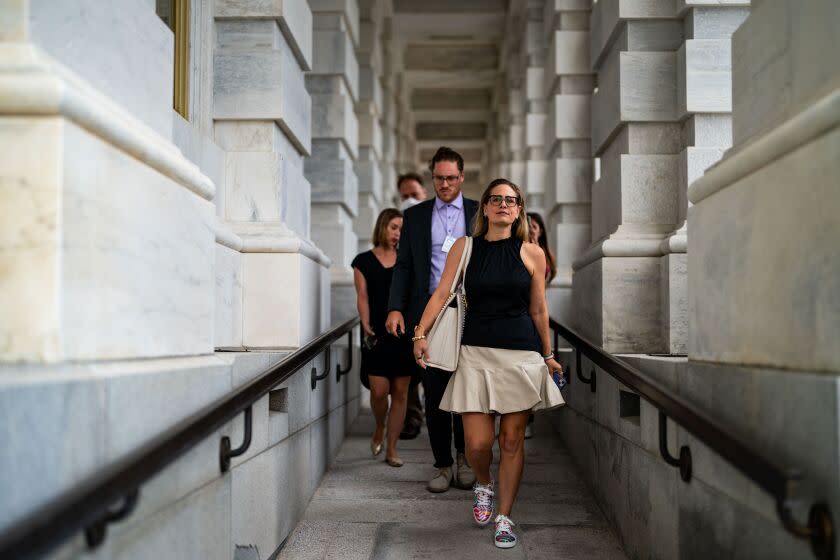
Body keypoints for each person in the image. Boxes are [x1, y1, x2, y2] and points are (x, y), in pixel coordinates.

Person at [412, 178, 565, 549]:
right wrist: (420, 333)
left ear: (519, 209)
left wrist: (547, 355)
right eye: (495, 199)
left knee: (511, 440)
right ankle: (483, 482)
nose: (502, 205)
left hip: (521, 354)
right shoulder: (464, 248)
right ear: (484, 208)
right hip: (474, 353)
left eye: (510, 200)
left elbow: (539, 308)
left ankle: (505, 517)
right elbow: (441, 293)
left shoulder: (532, 253)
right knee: (478, 444)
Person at [386, 147, 479, 493]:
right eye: (438, 178)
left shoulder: (476, 212)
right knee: (435, 392)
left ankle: (465, 458)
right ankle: (442, 465)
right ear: (432, 178)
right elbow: (405, 266)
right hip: (429, 314)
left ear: (462, 177)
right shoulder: (416, 216)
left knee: (466, 390)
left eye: (451, 178)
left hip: (470, 315)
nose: (444, 184)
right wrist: (395, 307)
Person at [351, 208, 415, 467]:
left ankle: (391, 447)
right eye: (393, 227)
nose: (397, 233)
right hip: (376, 331)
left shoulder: (408, 260)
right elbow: (363, 295)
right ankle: (380, 425)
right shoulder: (362, 261)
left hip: (403, 332)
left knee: (400, 391)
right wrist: (364, 321)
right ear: (382, 228)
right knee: (379, 390)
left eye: (402, 229)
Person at [395, 172, 428, 440]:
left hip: (436, 307)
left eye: (414, 195)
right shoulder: (396, 226)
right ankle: (413, 416)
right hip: (407, 311)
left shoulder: (434, 224)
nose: (409, 200)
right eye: (404, 196)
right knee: (410, 370)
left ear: (424, 194)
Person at [523, 212, 558, 439]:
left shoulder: (544, 254)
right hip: (524, 314)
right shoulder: (523, 250)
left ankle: (528, 417)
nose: (533, 229)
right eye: (530, 226)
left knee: (535, 371)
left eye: (536, 226)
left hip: (538, 313)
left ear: (542, 230)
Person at [527, 212, 557, 282]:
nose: (530, 230)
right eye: (528, 226)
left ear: (540, 232)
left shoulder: (546, 254)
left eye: (534, 227)